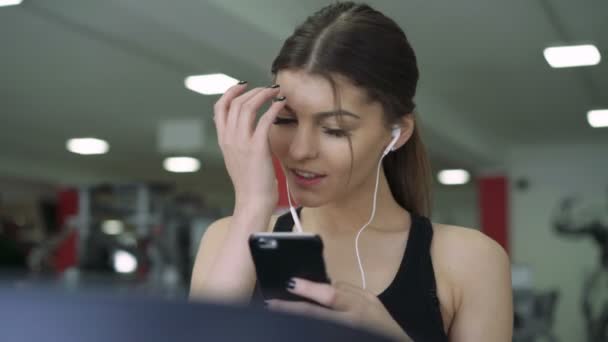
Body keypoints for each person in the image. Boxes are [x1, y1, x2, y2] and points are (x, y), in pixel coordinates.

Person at [190, 2, 513, 341]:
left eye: (335, 129)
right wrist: (253, 204)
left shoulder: (470, 260)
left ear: (396, 133)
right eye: (286, 120)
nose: (300, 150)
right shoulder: (226, 238)